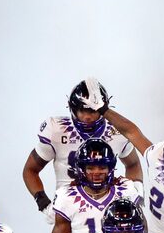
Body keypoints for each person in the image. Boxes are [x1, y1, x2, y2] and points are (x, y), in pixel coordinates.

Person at [22, 79, 142, 223]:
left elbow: (133, 164)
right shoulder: (57, 130)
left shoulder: (116, 131)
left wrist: (136, 193)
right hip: (69, 208)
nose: (87, 116)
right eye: (82, 110)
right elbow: (30, 170)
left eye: (92, 110)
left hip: (107, 208)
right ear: (73, 109)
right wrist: (43, 203)